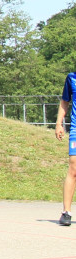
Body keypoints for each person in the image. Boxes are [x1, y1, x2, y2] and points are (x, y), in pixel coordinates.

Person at [55, 72, 76, 227]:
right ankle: (66, 212)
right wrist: (58, 123)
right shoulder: (72, 78)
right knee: (73, 168)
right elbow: (64, 101)